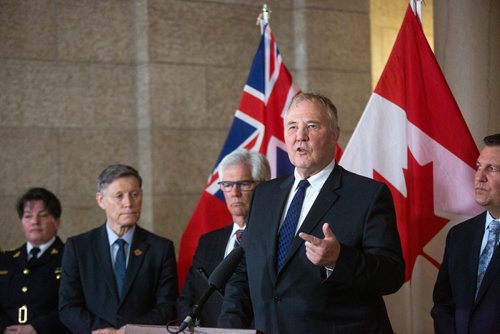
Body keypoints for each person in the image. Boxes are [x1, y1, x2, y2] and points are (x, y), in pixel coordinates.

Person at [218, 92, 405, 333]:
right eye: (292, 126)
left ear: (335, 134)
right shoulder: (265, 194)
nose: (300, 136)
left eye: (312, 126)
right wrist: (228, 328)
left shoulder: (367, 195)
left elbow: (391, 274)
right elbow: (245, 271)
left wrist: (340, 259)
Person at [59, 164, 178, 334]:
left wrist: (129, 331)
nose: (128, 203)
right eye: (119, 196)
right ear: (101, 200)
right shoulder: (78, 247)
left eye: (134, 194)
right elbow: (68, 306)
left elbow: (167, 306)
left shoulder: (161, 248)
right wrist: (100, 331)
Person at [177, 149, 271, 327]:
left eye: (243, 184)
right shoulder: (208, 242)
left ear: (263, 186)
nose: (234, 192)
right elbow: (188, 297)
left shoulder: (274, 240)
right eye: (227, 184)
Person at [432, 133, 500, 334]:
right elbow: (443, 304)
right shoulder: (459, 235)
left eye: (492, 169)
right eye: (479, 166)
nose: (479, 177)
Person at [0, 187, 70, 334]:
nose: (34, 222)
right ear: (21, 222)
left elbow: (75, 305)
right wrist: (4, 328)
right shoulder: (5, 260)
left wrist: (37, 328)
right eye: (28, 216)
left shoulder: (70, 258)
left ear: (56, 221)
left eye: (43, 215)